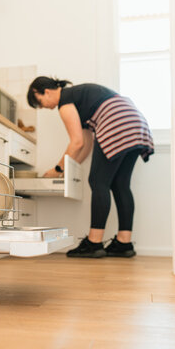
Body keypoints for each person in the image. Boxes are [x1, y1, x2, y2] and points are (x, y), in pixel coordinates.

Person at [27, 76, 154, 258]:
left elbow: (76, 142)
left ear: (44, 92)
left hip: (116, 121)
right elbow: (86, 144)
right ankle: (124, 243)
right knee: (120, 184)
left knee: (97, 181)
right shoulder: (81, 100)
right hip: (134, 122)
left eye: (40, 102)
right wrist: (70, 169)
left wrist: (57, 169)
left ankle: (94, 243)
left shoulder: (65, 101)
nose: (43, 107)